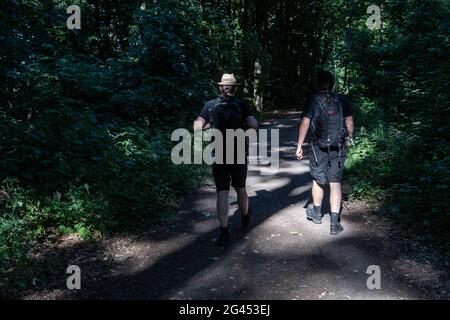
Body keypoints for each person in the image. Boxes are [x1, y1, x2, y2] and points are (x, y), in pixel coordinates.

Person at [193, 74, 259, 246]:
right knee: (240, 188)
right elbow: (254, 125)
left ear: (221, 88)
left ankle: (223, 231)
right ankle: (245, 216)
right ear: (235, 89)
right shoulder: (241, 105)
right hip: (237, 152)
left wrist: (209, 128)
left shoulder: (210, 105)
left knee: (222, 192)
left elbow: (197, 126)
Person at [295, 70, 355, 235]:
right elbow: (349, 122)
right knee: (335, 183)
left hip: (317, 146)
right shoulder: (342, 99)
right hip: (338, 146)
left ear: (318, 83)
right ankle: (334, 224)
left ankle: (317, 213)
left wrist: (299, 145)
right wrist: (349, 138)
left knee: (318, 179)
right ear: (332, 83)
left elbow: (305, 124)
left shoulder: (313, 100)